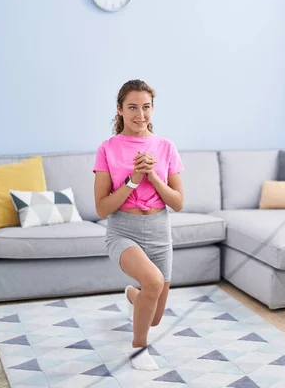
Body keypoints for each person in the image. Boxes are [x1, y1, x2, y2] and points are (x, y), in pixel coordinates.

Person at [93, 79, 184, 371]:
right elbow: (102, 207)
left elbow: (178, 202)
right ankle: (138, 349)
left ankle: (133, 295)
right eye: (132, 107)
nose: (140, 115)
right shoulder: (107, 148)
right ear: (119, 110)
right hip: (123, 230)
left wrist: (153, 175)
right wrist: (133, 179)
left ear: (153, 109)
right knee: (154, 282)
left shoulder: (166, 147)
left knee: (155, 316)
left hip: (159, 231)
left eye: (146, 107)